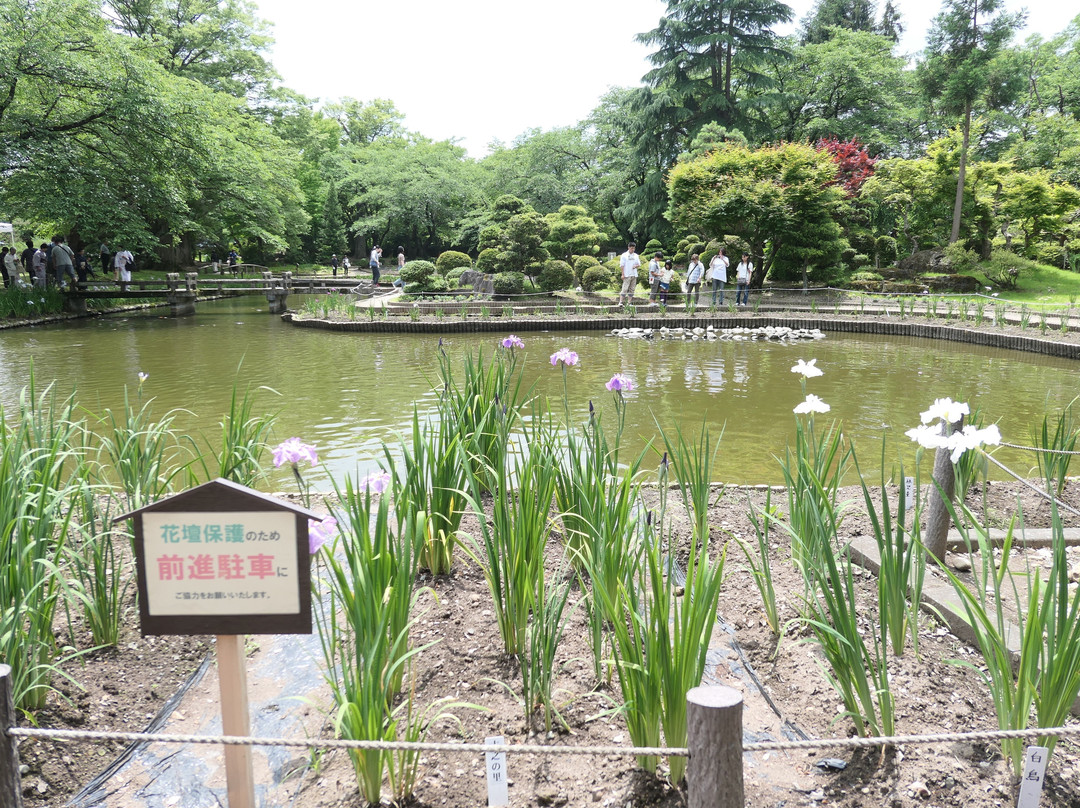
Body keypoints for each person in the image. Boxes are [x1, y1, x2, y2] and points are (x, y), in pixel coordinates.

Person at [617, 241, 640, 306]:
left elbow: (639, 264)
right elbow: (622, 265)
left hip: (634, 274)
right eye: (631, 248)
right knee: (624, 289)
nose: (632, 249)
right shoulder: (624, 255)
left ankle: (629, 302)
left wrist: (635, 266)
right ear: (628, 247)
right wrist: (623, 274)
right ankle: (621, 302)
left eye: (634, 248)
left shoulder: (636, 256)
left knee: (632, 289)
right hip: (627, 274)